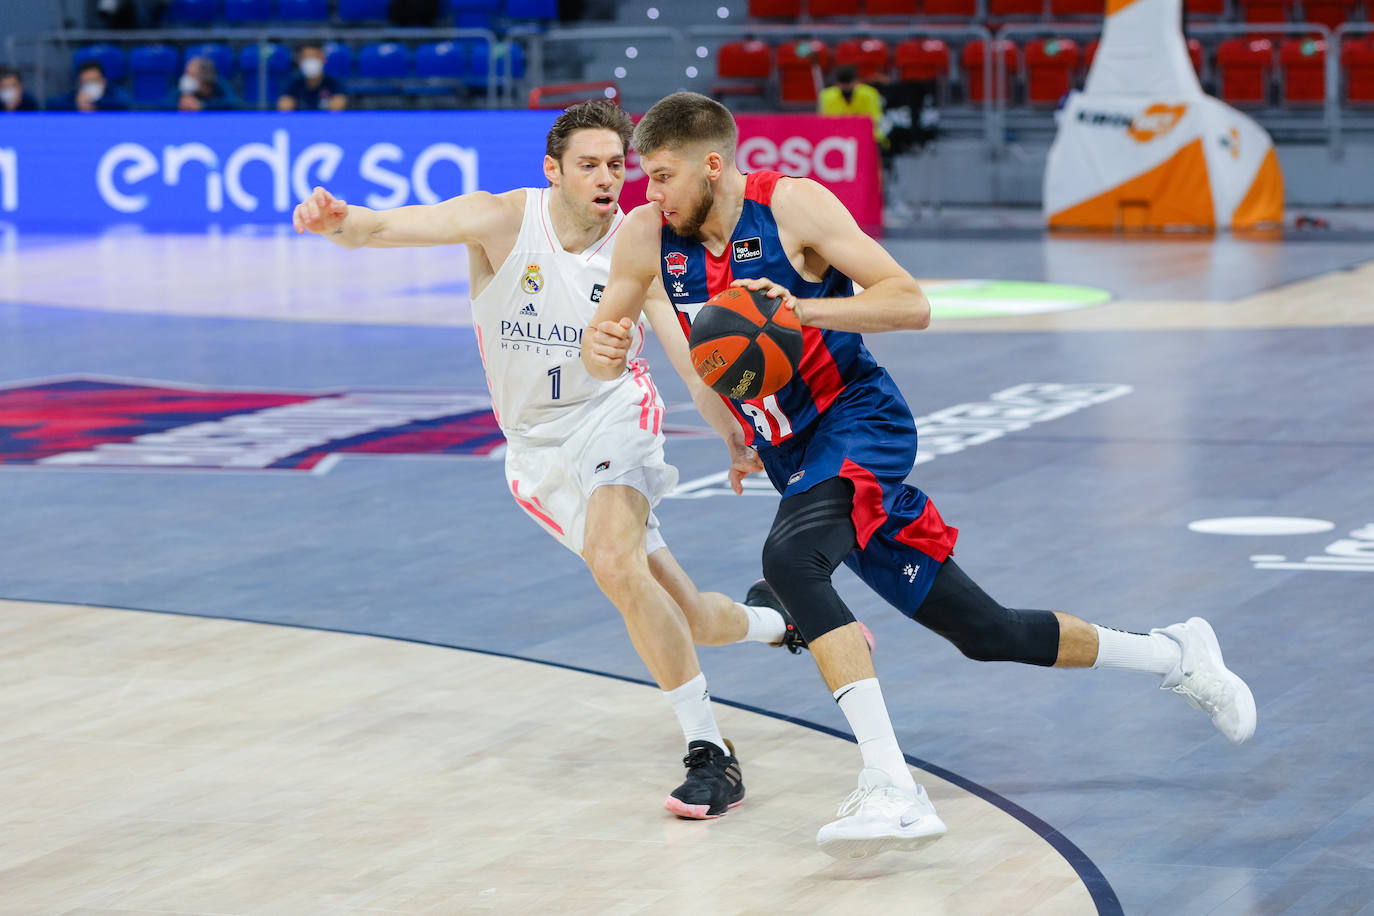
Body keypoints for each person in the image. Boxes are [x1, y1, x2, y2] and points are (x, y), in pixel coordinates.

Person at [582, 91, 1258, 859]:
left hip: (858, 421)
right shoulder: (646, 236)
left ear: (712, 164)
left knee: (788, 562)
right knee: (986, 632)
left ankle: (892, 786)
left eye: (662, 175)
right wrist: (609, 358)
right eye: (645, 177)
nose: (649, 192)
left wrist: (805, 310)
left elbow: (911, 302)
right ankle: (1178, 656)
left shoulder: (794, 207)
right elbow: (611, 333)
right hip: (792, 454)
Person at [292, 100, 831, 821]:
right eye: (590, 165)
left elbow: (687, 355)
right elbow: (381, 226)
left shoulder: (640, 243)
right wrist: (339, 224)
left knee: (615, 564)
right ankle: (779, 621)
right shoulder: (502, 221)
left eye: (617, 164)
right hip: (537, 451)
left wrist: (732, 428)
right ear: (553, 171)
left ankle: (710, 753)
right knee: (690, 615)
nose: (608, 178)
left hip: (614, 419)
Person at [277, 44, 347, 112]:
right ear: (300, 61)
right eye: (306, 57)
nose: (310, 61)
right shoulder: (292, 84)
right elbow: (284, 105)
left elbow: (339, 104)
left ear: (323, 59)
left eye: (314, 57)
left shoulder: (334, 84)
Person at [49, 60, 131, 112]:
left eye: (94, 81)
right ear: (80, 83)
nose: (90, 85)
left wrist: (96, 104)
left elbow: (125, 104)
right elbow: (52, 104)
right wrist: (76, 105)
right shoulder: (73, 97)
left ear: (103, 81)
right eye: (86, 82)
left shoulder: (115, 95)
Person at [170, 56, 241, 112]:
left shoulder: (218, 83)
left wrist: (203, 105)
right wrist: (180, 105)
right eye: (186, 73)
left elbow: (233, 102)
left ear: (203, 76)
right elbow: (165, 104)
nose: (187, 78)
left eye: (191, 75)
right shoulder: (184, 88)